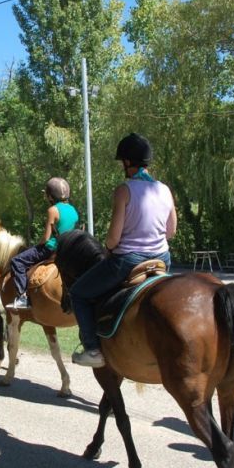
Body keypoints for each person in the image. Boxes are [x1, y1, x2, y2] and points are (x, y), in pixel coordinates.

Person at [69, 133, 177, 368]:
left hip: (127, 261)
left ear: (127, 162)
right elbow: (171, 232)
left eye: (122, 162)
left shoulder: (124, 190)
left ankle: (93, 349)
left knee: (78, 293)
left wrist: (108, 247)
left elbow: (113, 238)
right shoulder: (165, 189)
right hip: (162, 259)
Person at [7, 178, 79, 311]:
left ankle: (22, 298)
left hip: (51, 249)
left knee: (17, 261)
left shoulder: (53, 210)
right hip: (68, 249)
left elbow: (46, 238)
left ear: (51, 196)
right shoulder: (73, 210)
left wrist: (36, 246)